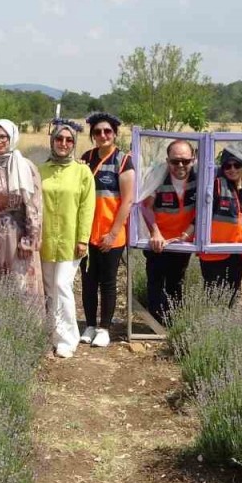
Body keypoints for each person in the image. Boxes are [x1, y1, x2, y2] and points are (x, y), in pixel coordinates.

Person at [39, 120, 95, 358]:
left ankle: (67, 338)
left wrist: (83, 238)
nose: (63, 144)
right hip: (45, 241)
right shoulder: (40, 170)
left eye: (69, 140)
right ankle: (50, 333)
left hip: (71, 242)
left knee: (63, 286)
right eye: (59, 139)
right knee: (49, 289)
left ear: (74, 143)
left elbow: (87, 207)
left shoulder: (82, 171)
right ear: (52, 142)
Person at [79, 112, 135, 347]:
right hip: (87, 233)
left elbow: (128, 200)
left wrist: (112, 234)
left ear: (114, 134)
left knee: (108, 282)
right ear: (92, 135)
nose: (103, 135)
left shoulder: (123, 160)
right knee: (88, 280)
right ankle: (90, 324)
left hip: (112, 234)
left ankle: (105, 328)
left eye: (107, 131)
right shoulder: (85, 158)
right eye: (98, 132)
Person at [0, 119, 44, 306]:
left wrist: (29, 240)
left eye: (3, 137)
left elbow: (34, 206)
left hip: (16, 235)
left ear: (12, 138)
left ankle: (24, 331)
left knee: (19, 284)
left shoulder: (25, 167)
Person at [141, 140, 198, 323]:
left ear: (193, 159)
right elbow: (146, 207)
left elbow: (230, 171)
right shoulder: (157, 176)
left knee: (176, 282)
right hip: (158, 242)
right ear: (167, 160)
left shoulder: (200, 176)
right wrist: (155, 233)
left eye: (185, 161)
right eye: (175, 161)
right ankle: (155, 326)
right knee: (155, 282)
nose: (180, 165)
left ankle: (172, 325)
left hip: (182, 242)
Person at [198, 147, 242, 300]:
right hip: (214, 253)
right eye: (227, 166)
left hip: (240, 253)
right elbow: (204, 170)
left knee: (232, 296)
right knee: (213, 298)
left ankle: (226, 323)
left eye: (237, 165)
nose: (232, 169)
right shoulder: (215, 186)